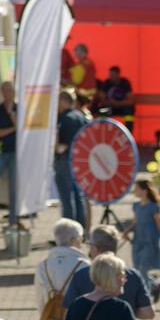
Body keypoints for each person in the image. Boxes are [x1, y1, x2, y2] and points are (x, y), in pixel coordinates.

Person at [35, 219, 88, 320]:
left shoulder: (43, 265)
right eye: (81, 238)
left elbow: (40, 298)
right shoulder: (84, 265)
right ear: (73, 240)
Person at [66, 225, 157, 320]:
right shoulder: (132, 275)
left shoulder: (80, 275)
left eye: (90, 245)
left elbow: (67, 313)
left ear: (96, 248)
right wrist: (130, 310)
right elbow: (148, 313)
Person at [54, 90, 90, 226]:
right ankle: (80, 230)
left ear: (63, 101)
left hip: (64, 161)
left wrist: (61, 147)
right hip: (79, 162)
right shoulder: (81, 117)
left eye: (57, 101)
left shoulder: (62, 119)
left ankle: (69, 232)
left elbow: (58, 145)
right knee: (78, 196)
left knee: (67, 198)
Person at [130, 180, 160, 286]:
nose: (134, 191)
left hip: (149, 241)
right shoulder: (136, 206)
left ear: (144, 191)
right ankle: (155, 285)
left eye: (137, 189)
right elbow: (135, 222)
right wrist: (126, 231)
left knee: (143, 268)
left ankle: (147, 294)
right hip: (137, 240)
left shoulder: (153, 207)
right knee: (137, 268)